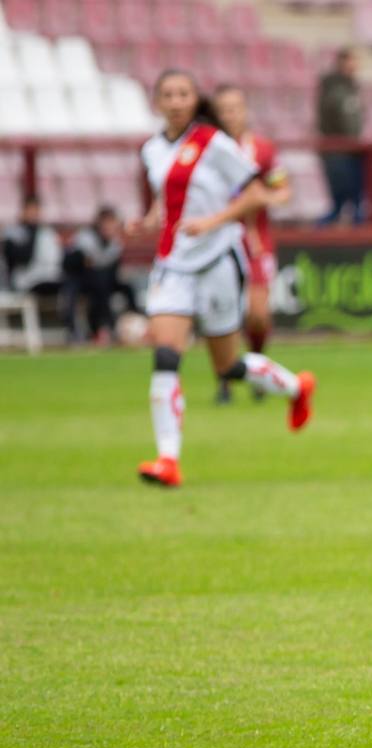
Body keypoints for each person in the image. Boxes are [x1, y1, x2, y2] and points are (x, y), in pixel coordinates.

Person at [131, 69, 316, 488]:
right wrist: (145, 223)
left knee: (228, 365)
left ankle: (295, 387)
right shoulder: (152, 149)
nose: (176, 101)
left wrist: (213, 221)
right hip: (173, 262)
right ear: (157, 102)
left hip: (217, 257)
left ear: (196, 100)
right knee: (165, 355)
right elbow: (169, 200)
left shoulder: (213, 143)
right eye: (168, 94)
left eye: (184, 93)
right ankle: (168, 459)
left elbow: (255, 192)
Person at [211, 84, 292, 404]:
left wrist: (263, 198)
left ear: (245, 110)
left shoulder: (262, 149)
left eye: (235, 107)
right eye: (224, 109)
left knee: (257, 315)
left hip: (256, 242)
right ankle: (224, 379)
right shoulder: (209, 151)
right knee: (223, 316)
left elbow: (283, 190)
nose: (230, 114)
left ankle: (257, 370)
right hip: (216, 243)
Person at [315, 47, 365, 227]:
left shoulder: (350, 86)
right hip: (339, 149)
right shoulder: (335, 88)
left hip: (350, 149)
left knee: (357, 201)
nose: (355, 65)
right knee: (343, 197)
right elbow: (342, 119)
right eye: (352, 61)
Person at [62, 207, 126, 345]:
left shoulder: (115, 243)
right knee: (74, 292)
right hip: (80, 280)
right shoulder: (84, 238)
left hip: (103, 283)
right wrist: (82, 261)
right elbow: (69, 264)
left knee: (123, 288)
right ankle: (76, 331)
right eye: (107, 223)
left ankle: (113, 327)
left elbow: (113, 270)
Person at [3, 197, 65, 335]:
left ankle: (71, 329)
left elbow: (57, 260)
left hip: (48, 279)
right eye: (30, 210)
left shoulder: (47, 233)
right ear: (23, 211)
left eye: (36, 210)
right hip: (25, 282)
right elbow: (22, 258)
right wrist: (33, 232)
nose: (34, 214)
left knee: (71, 283)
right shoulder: (13, 233)